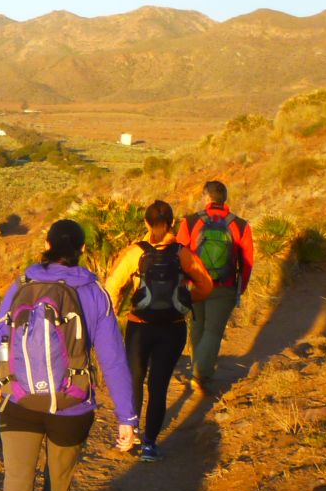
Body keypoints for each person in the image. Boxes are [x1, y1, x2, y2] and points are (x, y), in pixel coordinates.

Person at [0, 219, 137, 491]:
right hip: (72, 405)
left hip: (20, 402)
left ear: (47, 245)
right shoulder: (94, 293)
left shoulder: (22, 284)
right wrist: (126, 418)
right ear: (82, 249)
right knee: (58, 484)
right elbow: (113, 359)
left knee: (17, 485)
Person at [103, 199, 215, 459]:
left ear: (145, 222)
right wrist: (185, 300)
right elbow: (206, 285)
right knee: (159, 385)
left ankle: (129, 435)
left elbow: (112, 287)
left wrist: (114, 314)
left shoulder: (135, 253)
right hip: (173, 328)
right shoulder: (182, 253)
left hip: (140, 326)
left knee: (134, 381)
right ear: (172, 223)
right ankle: (150, 445)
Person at [175, 181, 255, 394]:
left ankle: (199, 371)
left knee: (198, 327)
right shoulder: (240, 225)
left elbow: (179, 254)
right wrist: (240, 287)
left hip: (194, 285)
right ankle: (201, 374)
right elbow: (247, 262)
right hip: (224, 286)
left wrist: (181, 283)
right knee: (213, 331)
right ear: (224, 199)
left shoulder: (190, 222)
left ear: (207, 197)